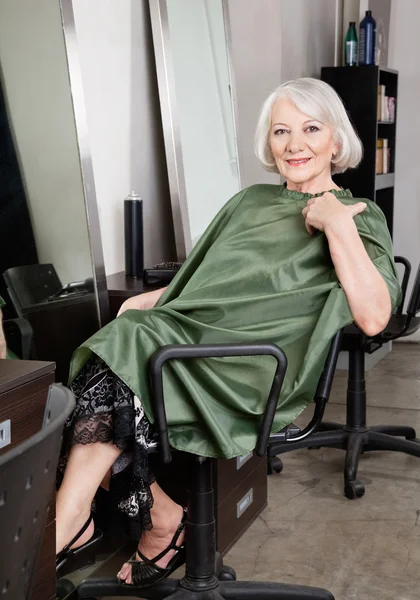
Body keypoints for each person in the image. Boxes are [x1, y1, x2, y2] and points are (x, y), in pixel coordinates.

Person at [56, 77, 401, 588]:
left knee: (118, 356)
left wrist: (335, 223)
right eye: (281, 131)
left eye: (310, 128)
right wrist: (148, 301)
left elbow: (374, 318)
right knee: (107, 357)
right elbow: (205, 282)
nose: (294, 144)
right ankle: (150, 519)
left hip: (251, 368)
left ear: (335, 139)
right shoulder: (249, 203)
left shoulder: (357, 215)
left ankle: (66, 530)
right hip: (191, 344)